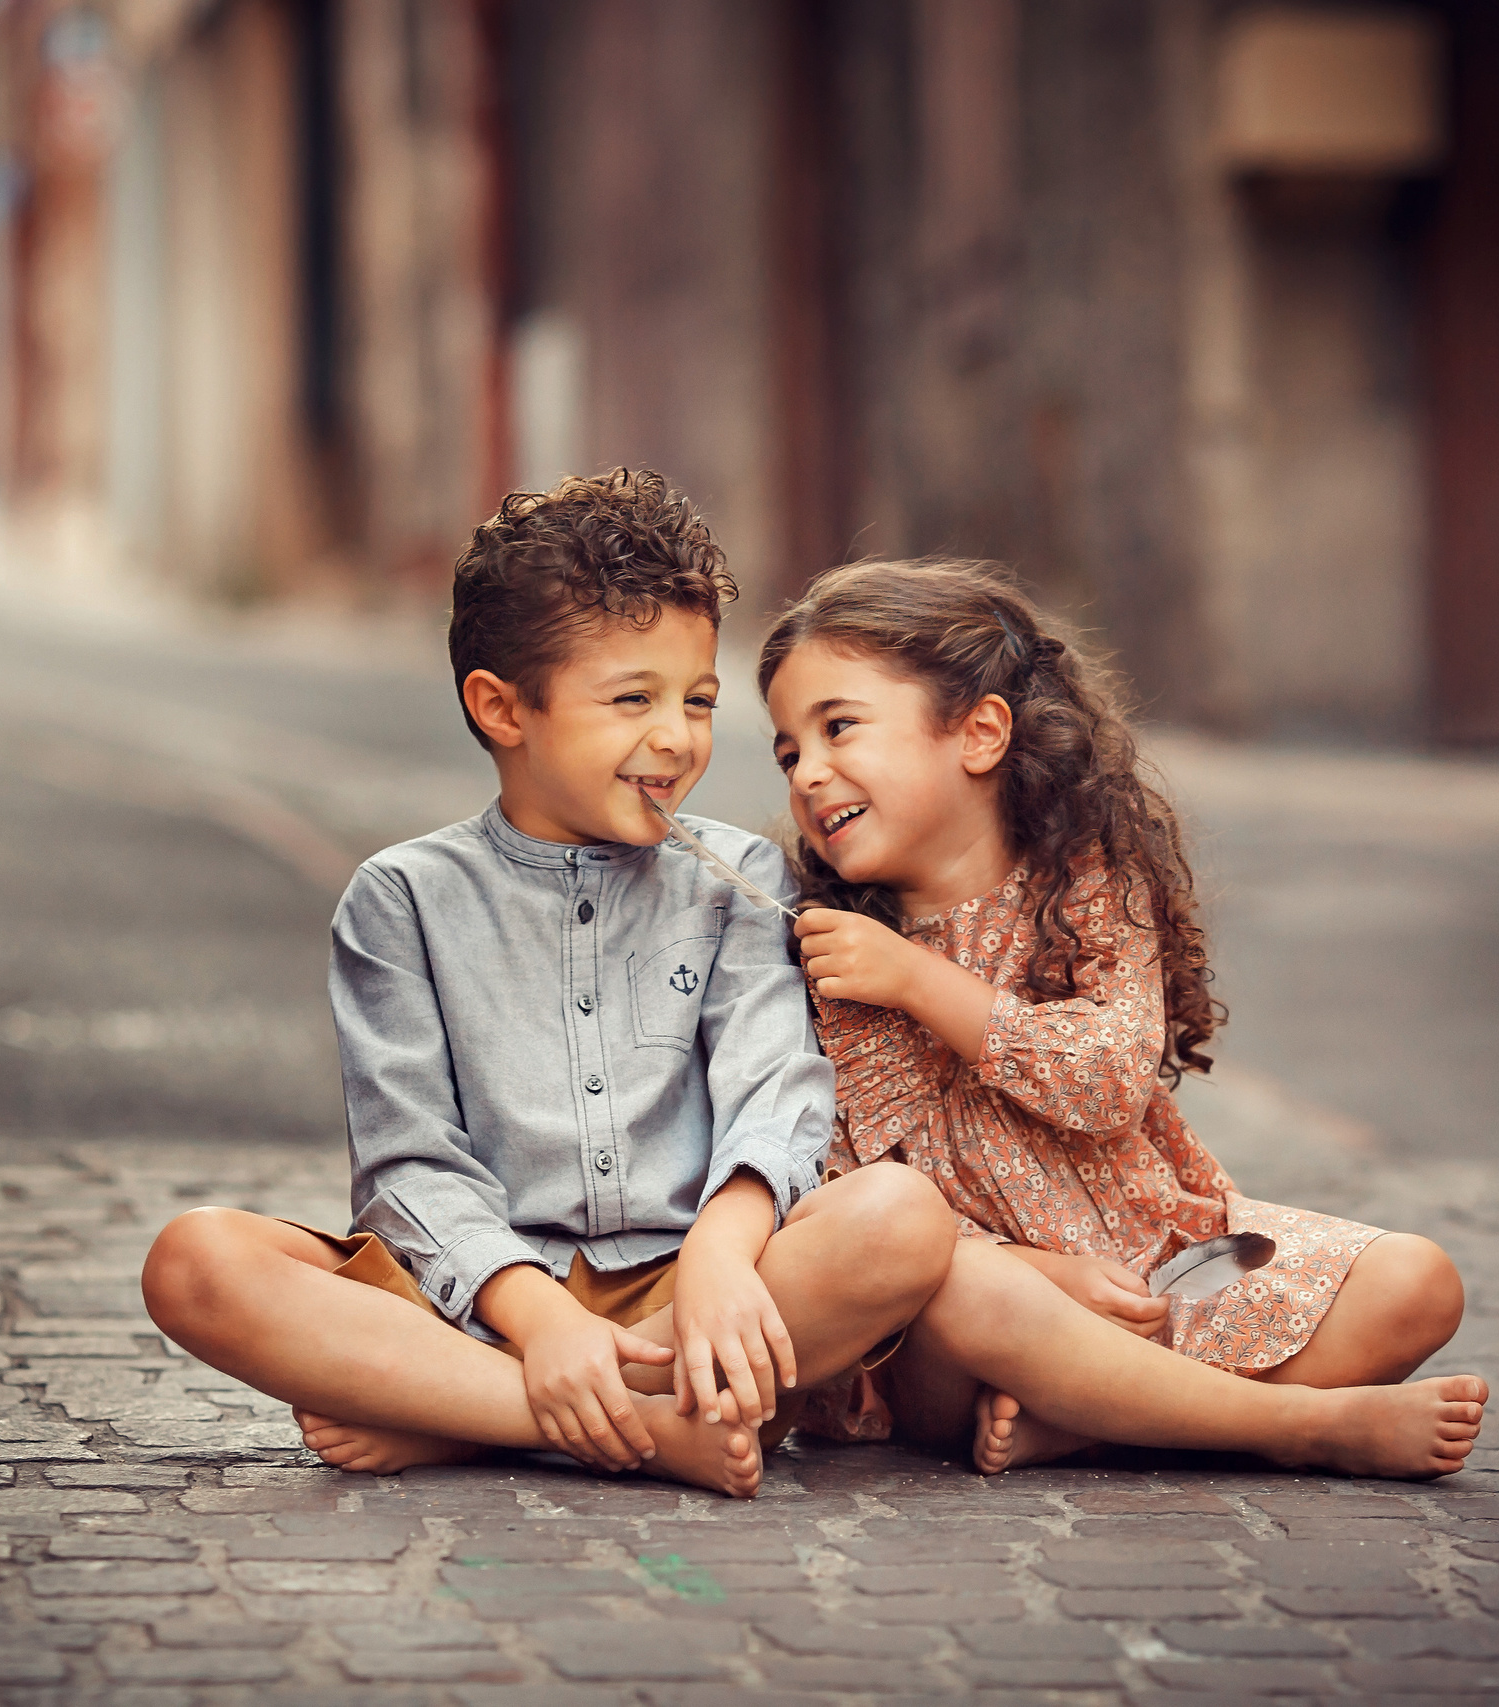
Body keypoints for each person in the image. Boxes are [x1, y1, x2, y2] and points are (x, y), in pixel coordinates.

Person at [141, 472, 956, 1499]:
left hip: (694, 1294)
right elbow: (409, 1163)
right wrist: (541, 1321)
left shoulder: (740, 878)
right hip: (478, 1300)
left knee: (900, 1218)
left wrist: (718, 1254)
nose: (677, 736)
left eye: (698, 701)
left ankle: (472, 1414)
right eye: (632, 700)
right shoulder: (403, 899)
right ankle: (618, 1424)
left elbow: (774, 1086)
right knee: (195, 1261)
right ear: (501, 707)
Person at [763, 559, 1489, 1479]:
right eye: (788, 750)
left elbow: (1108, 1080)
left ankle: (1097, 1420)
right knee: (962, 1294)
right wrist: (1046, 1278)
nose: (808, 772)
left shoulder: (1087, 880)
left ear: (980, 732)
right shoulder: (838, 943)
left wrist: (922, 981)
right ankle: (1294, 1426)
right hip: (977, 1323)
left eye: (838, 727)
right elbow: (851, 1185)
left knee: (1417, 1280)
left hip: (1156, 1266)